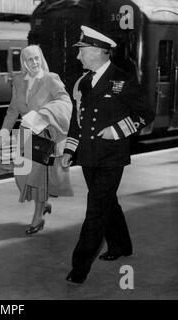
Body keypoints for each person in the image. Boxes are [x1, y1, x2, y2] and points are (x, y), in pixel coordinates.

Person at [61, 26, 155, 284]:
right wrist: (70, 148)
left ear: (100, 52)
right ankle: (121, 245)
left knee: (95, 209)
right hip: (89, 156)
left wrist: (117, 130)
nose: (78, 57)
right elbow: (76, 119)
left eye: (82, 51)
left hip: (112, 157)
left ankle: (79, 269)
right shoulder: (82, 82)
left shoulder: (123, 80)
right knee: (107, 202)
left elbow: (146, 114)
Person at [0, 45, 73, 235]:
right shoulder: (18, 81)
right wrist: (5, 130)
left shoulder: (50, 79)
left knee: (38, 177)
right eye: (29, 59)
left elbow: (65, 101)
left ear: (41, 59)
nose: (34, 63)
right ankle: (44, 201)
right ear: (24, 62)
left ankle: (38, 217)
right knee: (22, 176)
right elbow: (13, 109)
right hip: (25, 134)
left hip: (44, 134)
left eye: (37, 58)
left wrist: (45, 114)